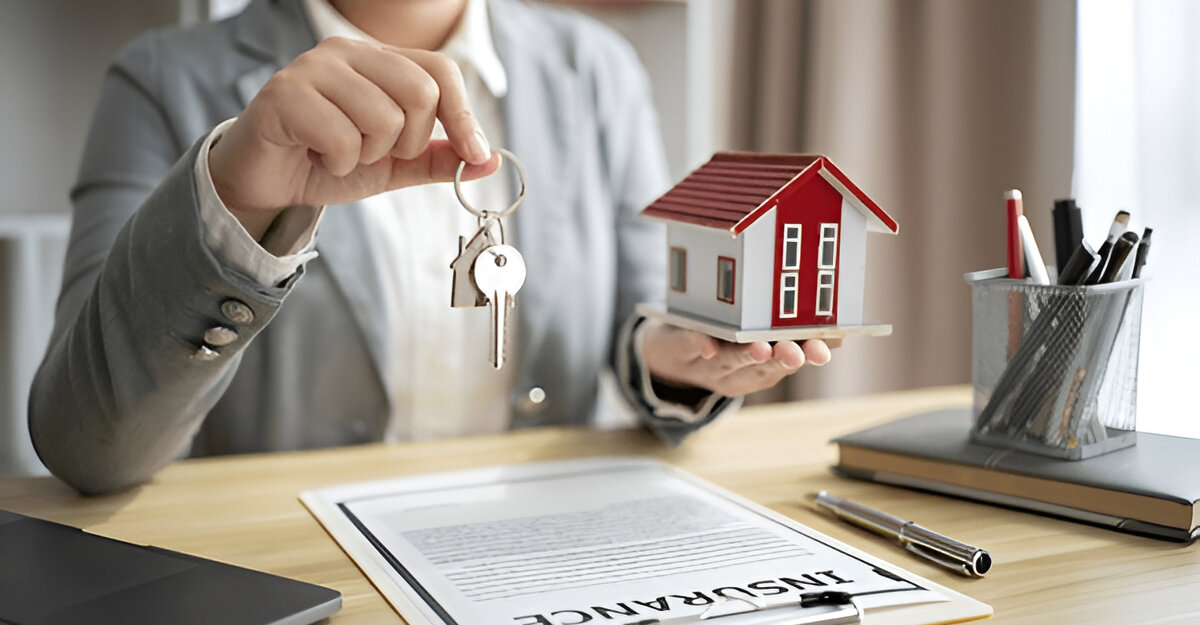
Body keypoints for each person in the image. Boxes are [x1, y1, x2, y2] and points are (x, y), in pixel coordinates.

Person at [28, 0, 836, 495]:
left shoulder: (599, 70)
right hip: (293, 579)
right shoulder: (162, 76)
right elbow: (83, 444)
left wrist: (676, 358)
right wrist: (233, 198)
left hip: (537, 556)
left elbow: (640, 314)